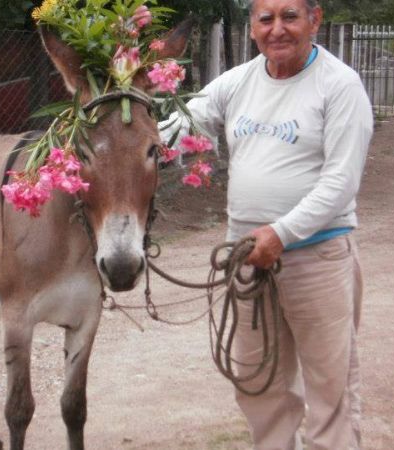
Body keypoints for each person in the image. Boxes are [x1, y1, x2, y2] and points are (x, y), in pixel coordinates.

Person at [160, 0, 373, 448]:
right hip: (250, 260)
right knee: (260, 384)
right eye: (266, 18)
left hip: (317, 256)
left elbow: (341, 182)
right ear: (252, 27)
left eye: (290, 17)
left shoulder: (339, 86)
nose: (278, 29)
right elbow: (177, 127)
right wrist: (107, 138)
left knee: (329, 389)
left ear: (315, 20)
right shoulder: (237, 83)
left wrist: (282, 233)